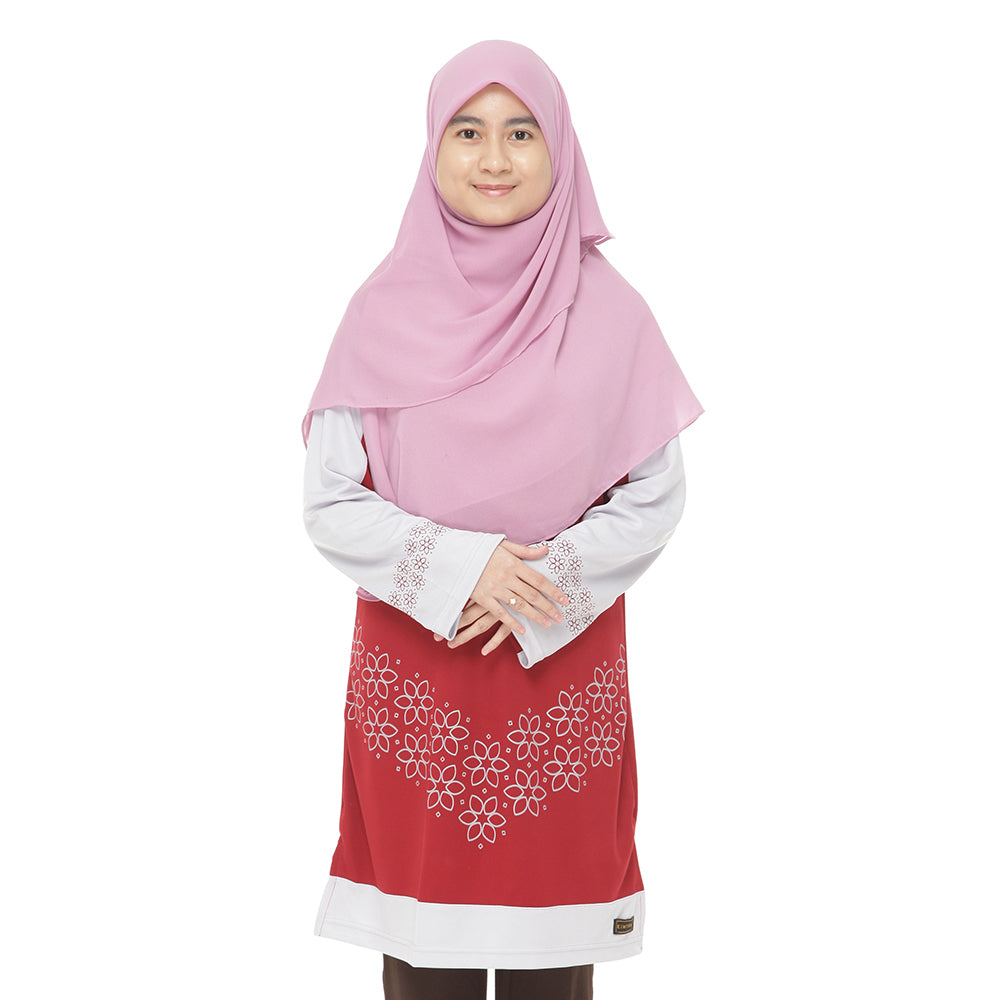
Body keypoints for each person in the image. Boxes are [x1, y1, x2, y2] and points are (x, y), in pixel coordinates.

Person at [301, 39, 702, 1000]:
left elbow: (654, 494)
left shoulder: (613, 316)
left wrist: (532, 586)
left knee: (551, 961)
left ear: (559, 147)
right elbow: (330, 500)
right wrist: (461, 568)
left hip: (556, 674)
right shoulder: (380, 313)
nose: (494, 158)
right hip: (420, 680)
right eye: (467, 132)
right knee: (424, 957)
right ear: (432, 149)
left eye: (522, 133)